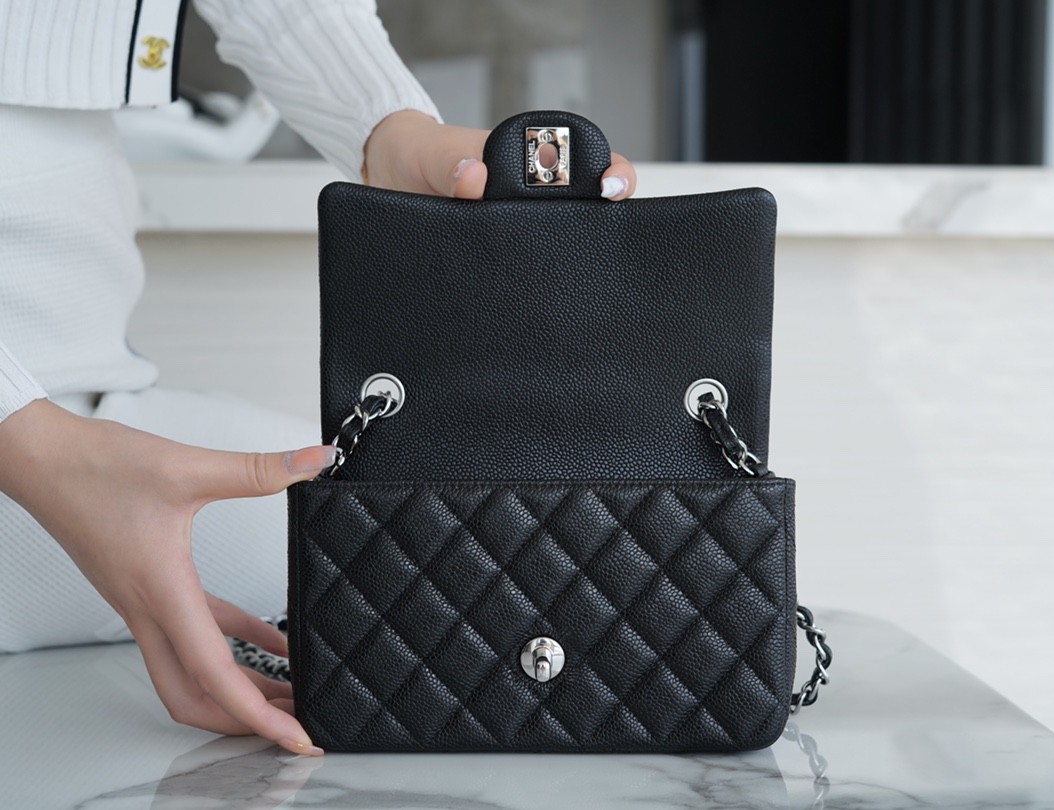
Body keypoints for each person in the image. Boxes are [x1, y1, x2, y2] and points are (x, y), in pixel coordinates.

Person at [0, 0, 637, 757]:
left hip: (96, 400)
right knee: (412, 558)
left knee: (436, 541)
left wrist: (388, 131)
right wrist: (35, 449)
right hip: (30, 436)